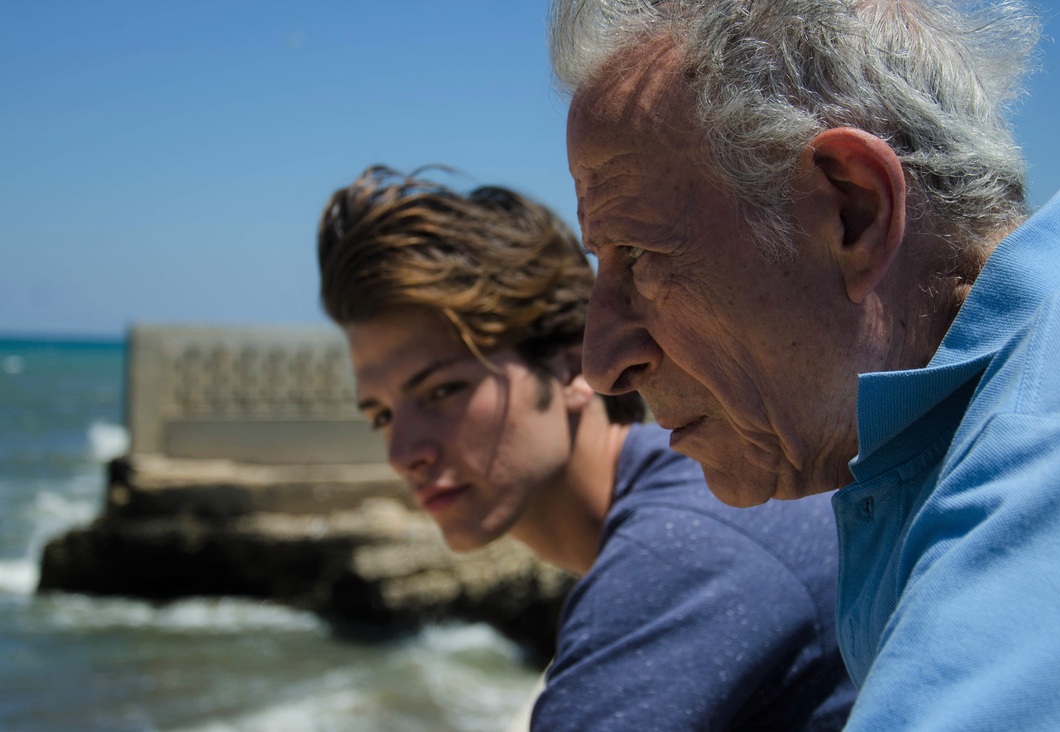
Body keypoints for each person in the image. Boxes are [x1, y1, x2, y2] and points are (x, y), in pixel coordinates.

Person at [551, 0, 1060, 728]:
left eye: (642, 256)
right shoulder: (978, 415)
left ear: (853, 211)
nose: (600, 364)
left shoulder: (1058, 448)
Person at [316, 165, 855, 730]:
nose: (403, 453)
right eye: (380, 414)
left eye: (443, 390)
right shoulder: (689, 502)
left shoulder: (678, 554)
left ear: (575, 368)